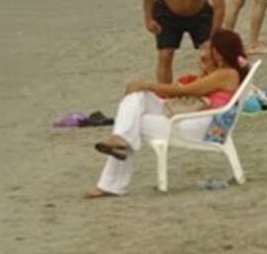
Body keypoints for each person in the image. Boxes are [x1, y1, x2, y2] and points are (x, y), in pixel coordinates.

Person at [88, 29, 249, 198]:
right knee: (137, 97)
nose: (205, 52)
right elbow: (197, 87)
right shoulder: (223, 72)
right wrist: (204, 68)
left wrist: (147, 85)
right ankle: (119, 142)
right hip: (199, 120)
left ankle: (112, 182)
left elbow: (185, 90)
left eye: (210, 49)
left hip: (203, 127)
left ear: (218, 53)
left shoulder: (226, 74)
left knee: (134, 124)